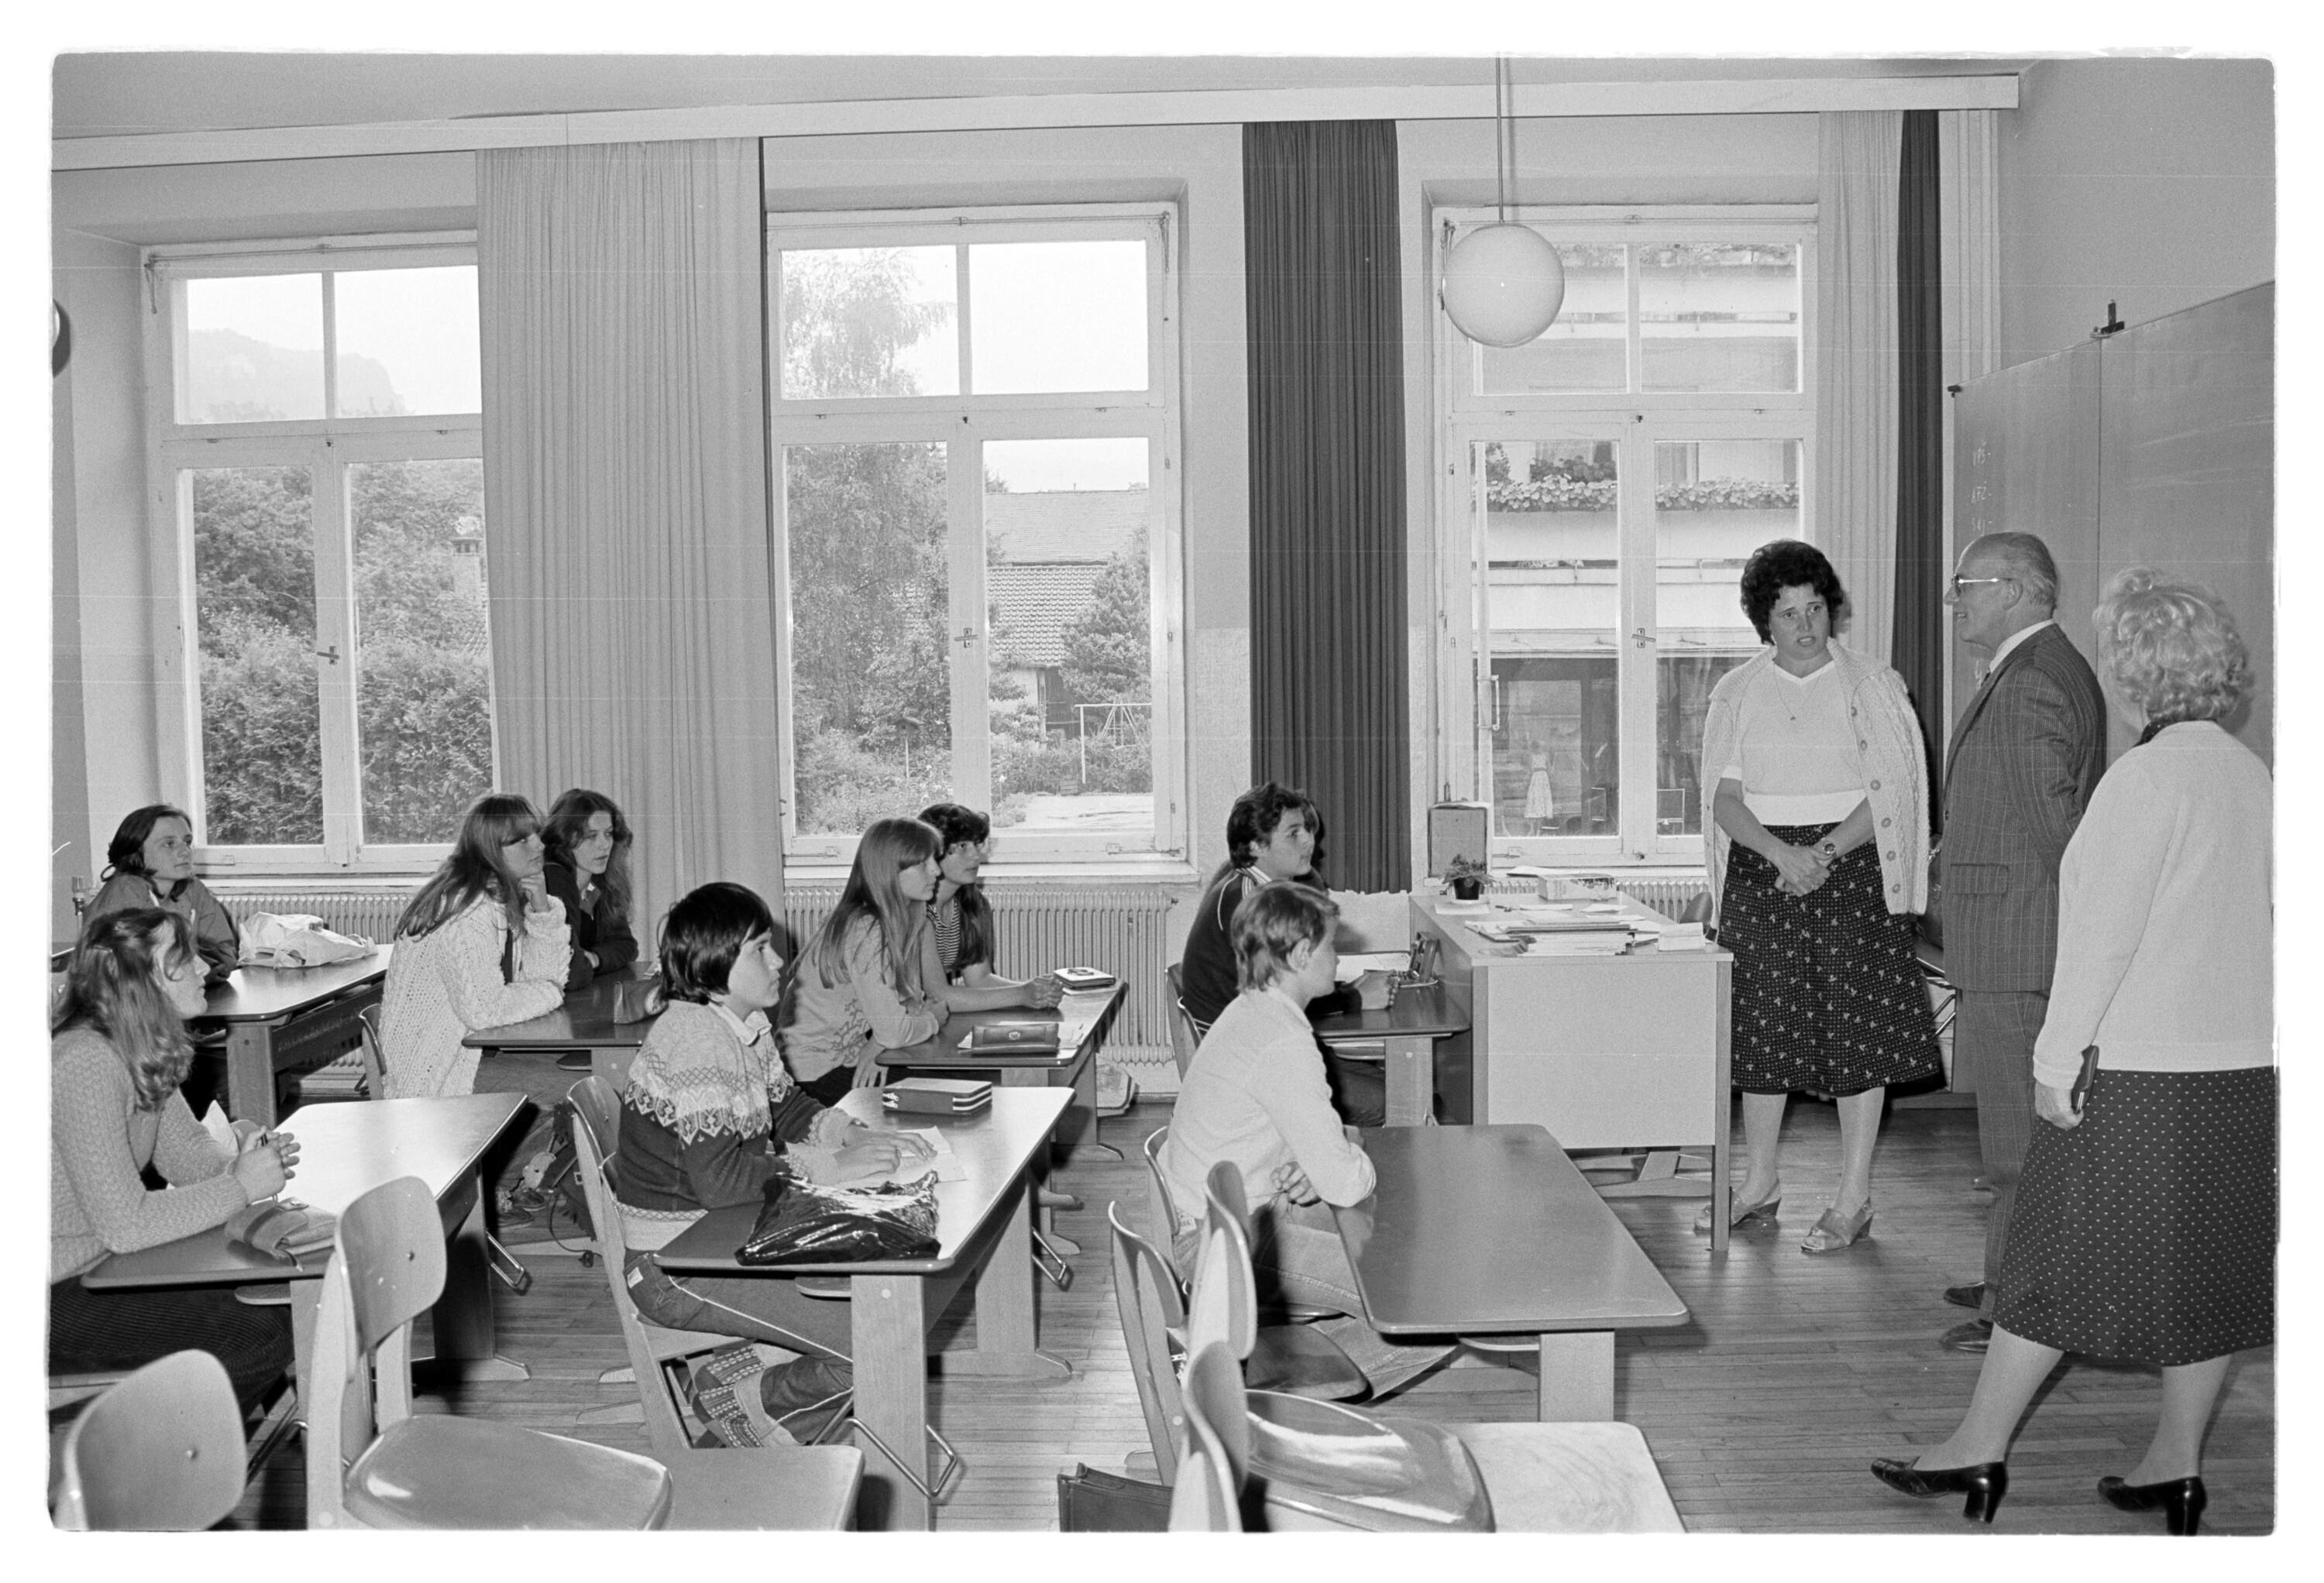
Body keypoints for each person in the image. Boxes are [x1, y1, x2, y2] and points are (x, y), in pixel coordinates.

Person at [1872, 570, 2271, 1534]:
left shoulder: (2145, 780)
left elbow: (2099, 941)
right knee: (2209, 1270)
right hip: (2241, 1068)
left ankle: (1977, 1447)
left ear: (2134, 673)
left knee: (2049, 1261)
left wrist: (2054, 1066)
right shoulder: (2253, 776)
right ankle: (2176, 1463)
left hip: (2136, 1071)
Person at [617, 881, 933, 1448]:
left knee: (873, 1301)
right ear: (715, 962)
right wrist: (833, 1167)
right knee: (876, 1345)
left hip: (723, 1237)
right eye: (759, 949)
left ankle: (733, 1382)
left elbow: (787, 1108)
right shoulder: (698, 1041)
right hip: (675, 1267)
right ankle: (747, 1412)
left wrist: (854, 1135)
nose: (779, 961)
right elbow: (720, 1182)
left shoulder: (742, 1025)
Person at [1697, 540, 1939, 1252]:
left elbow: (1893, 790)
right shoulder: (1737, 691)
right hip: (1765, 872)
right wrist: (1780, 853)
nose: (1805, 626)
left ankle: (1853, 1196)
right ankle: (1759, 1182)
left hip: (1854, 868)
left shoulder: (1874, 684)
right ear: (1763, 622)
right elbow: (1724, 797)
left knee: (1858, 1036)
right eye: (1788, 613)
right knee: (1763, 1034)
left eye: (1815, 608)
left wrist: (1823, 853)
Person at [1161, 881, 1452, 1399]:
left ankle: (1271, 1379)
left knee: (1404, 1256)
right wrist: (1351, 1150)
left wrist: (1317, 1153)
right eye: (1331, 947)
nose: (1337, 959)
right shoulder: (1284, 1041)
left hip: (1226, 1217)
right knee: (1432, 1306)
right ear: (1299, 955)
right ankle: (1261, 1406)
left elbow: (1288, 1135)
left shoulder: (1251, 1010)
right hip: (1224, 1245)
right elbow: (1346, 1184)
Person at [1930, 533, 2108, 1353]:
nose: (1953, 599)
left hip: (2019, 941)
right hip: (2016, 936)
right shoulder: (2039, 667)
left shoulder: (2032, 679)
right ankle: (2011, 1278)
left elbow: (2058, 836)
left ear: (2014, 588)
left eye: (1964, 584)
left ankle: (2018, 1310)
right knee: (2019, 1142)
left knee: (2017, 1150)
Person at [50, 908, 300, 1417]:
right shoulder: (86, 1061)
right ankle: (150, 1453)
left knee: (281, 1304)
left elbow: (188, 1159)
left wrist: (240, 1155)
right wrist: (240, 1186)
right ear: (138, 981)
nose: (204, 968)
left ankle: (179, 1444)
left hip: (97, 1266)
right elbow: (127, 1226)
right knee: (260, 1334)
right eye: (184, 959)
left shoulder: (138, 1048)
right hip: (50, 1295)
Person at [1178, 781, 1383, 1128]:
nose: (1309, 841)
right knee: (1392, 1099)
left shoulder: (1253, 886)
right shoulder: (1249, 900)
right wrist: (1355, 999)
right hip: (1245, 1060)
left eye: (1308, 830)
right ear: (1257, 846)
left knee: (1392, 1082)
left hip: (1250, 1044)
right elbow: (1279, 994)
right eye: (1294, 833)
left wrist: (1349, 993)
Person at [379, 792, 571, 1097]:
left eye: (536, 834)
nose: (539, 845)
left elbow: (540, 979)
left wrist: (542, 911)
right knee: (569, 1086)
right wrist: (550, 991)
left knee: (574, 1076)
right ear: (490, 851)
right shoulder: (468, 910)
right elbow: (484, 1011)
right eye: (522, 840)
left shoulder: (497, 896)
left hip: (470, 1053)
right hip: (437, 1076)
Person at [779, 816, 947, 1107]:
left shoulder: (898, 920)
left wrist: (876, 1044)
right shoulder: (865, 928)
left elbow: (910, 1004)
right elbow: (898, 1028)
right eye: (923, 863)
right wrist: (932, 1021)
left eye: (934, 859)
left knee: (953, 1087)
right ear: (889, 871)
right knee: (946, 1096)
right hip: (809, 1075)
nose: (936, 870)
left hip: (848, 1059)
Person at [914, 803, 1065, 1013]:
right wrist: (1021, 994)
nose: (976, 856)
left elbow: (980, 979)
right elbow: (939, 996)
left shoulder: (971, 904)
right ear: (933, 851)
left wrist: (1035, 990)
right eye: (963, 846)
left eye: (977, 844)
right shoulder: (916, 912)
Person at [84, 804, 239, 983]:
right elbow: (143, 973)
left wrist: (198, 968)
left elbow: (225, 954)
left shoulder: (191, 887)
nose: (185, 852)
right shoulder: (124, 891)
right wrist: (197, 967)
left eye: (187, 842)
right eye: (169, 844)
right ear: (136, 851)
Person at [541, 788, 641, 991]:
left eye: (608, 834)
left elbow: (627, 945)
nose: (604, 845)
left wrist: (596, 959)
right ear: (564, 839)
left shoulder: (598, 882)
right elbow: (570, 970)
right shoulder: (554, 879)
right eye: (591, 836)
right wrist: (585, 962)